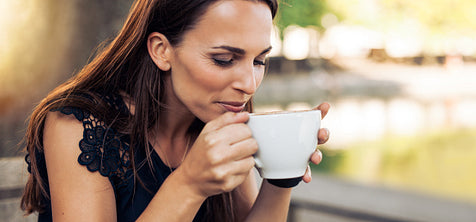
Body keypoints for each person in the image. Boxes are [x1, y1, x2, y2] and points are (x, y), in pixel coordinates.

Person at [20, 0, 331, 221]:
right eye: (224, 59)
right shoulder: (76, 125)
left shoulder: (218, 120)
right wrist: (190, 184)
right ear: (161, 50)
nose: (249, 84)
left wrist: (283, 174)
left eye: (259, 61)